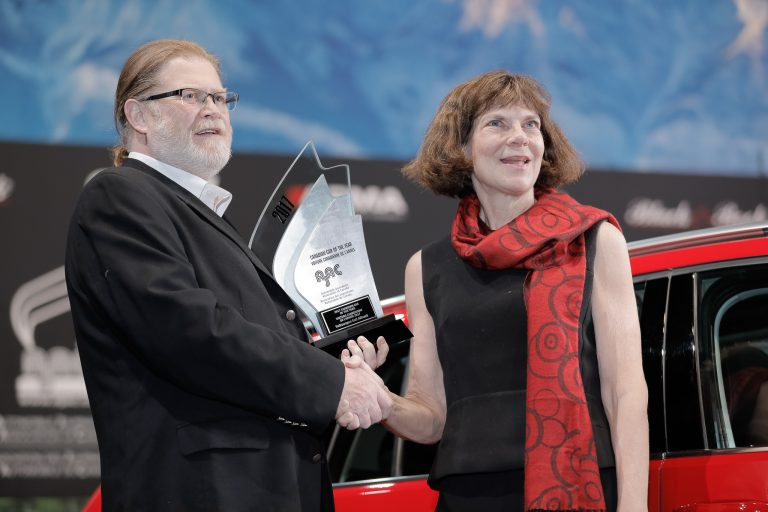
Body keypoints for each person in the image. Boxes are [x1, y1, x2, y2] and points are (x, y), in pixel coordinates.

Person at [64, 39, 390, 512]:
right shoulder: (120, 197)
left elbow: (246, 337)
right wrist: (330, 383)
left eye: (220, 97)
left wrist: (341, 358)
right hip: (201, 492)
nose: (212, 109)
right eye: (190, 95)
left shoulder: (198, 212)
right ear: (138, 116)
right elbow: (191, 333)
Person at [344, 71, 649, 511]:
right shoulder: (425, 268)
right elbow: (431, 417)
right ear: (461, 147)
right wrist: (378, 396)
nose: (519, 137)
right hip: (469, 495)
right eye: (497, 123)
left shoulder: (593, 239)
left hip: (577, 483)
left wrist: (634, 505)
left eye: (531, 124)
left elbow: (626, 395)